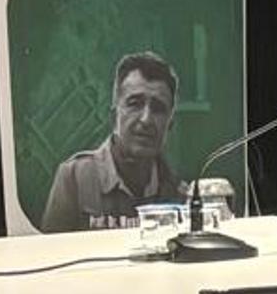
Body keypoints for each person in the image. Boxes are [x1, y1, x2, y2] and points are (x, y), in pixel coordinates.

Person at [41, 50, 186, 232]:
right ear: (113, 115)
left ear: (169, 125)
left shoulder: (178, 193)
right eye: (135, 104)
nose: (146, 119)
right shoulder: (75, 179)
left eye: (158, 109)